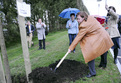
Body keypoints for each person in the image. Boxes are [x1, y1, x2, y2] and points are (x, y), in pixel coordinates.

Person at [67, 11, 113, 78]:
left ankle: (92, 73)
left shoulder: (83, 25)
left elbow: (78, 37)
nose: (77, 20)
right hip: (103, 35)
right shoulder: (90, 17)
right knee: (103, 48)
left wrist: (71, 48)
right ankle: (103, 64)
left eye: (78, 18)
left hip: (99, 36)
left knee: (89, 54)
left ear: (83, 17)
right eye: (77, 18)